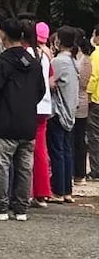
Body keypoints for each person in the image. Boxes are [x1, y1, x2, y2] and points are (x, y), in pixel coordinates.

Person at [0, 18, 46, 222]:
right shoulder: (34, 62)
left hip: (4, 122)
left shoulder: (3, 61)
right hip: (28, 123)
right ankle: (21, 208)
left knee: (1, 165)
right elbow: (40, 90)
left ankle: (0, 208)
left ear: (5, 36)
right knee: (25, 167)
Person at [18, 14, 53, 208]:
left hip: (30, 106)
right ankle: (42, 191)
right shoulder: (44, 54)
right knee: (40, 149)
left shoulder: (24, 54)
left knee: (24, 151)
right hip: (45, 105)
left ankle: (26, 191)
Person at [48, 26, 80, 203]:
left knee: (57, 151)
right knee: (67, 151)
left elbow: (50, 82)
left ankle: (58, 190)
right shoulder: (75, 61)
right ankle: (67, 190)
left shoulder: (58, 62)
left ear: (59, 41)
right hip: (70, 111)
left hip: (59, 112)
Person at [74, 30, 92, 183]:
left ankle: (79, 172)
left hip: (80, 103)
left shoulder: (84, 60)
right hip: (77, 102)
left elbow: (83, 83)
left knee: (78, 138)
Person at [85, 25, 99, 179]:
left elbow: (93, 77)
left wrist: (87, 95)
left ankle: (96, 170)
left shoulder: (96, 55)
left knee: (94, 136)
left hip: (96, 99)